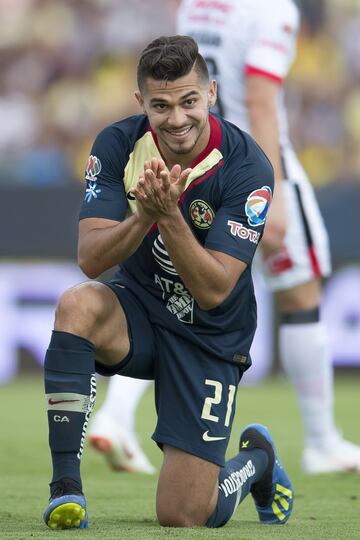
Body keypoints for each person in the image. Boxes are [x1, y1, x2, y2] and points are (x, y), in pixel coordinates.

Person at [43, 35, 294, 530]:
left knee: (184, 516)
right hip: (141, 311)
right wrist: (143, 217)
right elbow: (90, 260)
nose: (177, 118)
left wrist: (170, 217)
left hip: (210, 337)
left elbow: (216, 289)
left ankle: (258, 460)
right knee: (78, 304)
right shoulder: (118, 144)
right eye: (161, 105)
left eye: (188, 101)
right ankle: (65, 490)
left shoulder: (248, 168)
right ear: (142, 103)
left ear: (212, 94)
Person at [176, 0, 360, 473]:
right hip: (252, 163)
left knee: (179, 296)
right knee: (301, 291)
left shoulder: (195, 5)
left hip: (203, 160)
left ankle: (114, 418)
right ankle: (321, 440)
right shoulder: (272, 10)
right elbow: (259, 100)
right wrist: (270, 189)